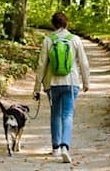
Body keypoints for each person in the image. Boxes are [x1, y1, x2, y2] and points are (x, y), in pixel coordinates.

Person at [33, 11, 90, 163]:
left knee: (55, 114)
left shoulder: (48, 40)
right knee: (68, 115)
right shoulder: (75, 39)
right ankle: (66, 146)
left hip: (53, 84)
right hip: (71, 83)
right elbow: (83, 62)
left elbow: (41, 65)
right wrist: (86, 82)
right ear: (66, 23)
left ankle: (55, 147)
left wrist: (37, 87)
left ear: (53, 24)